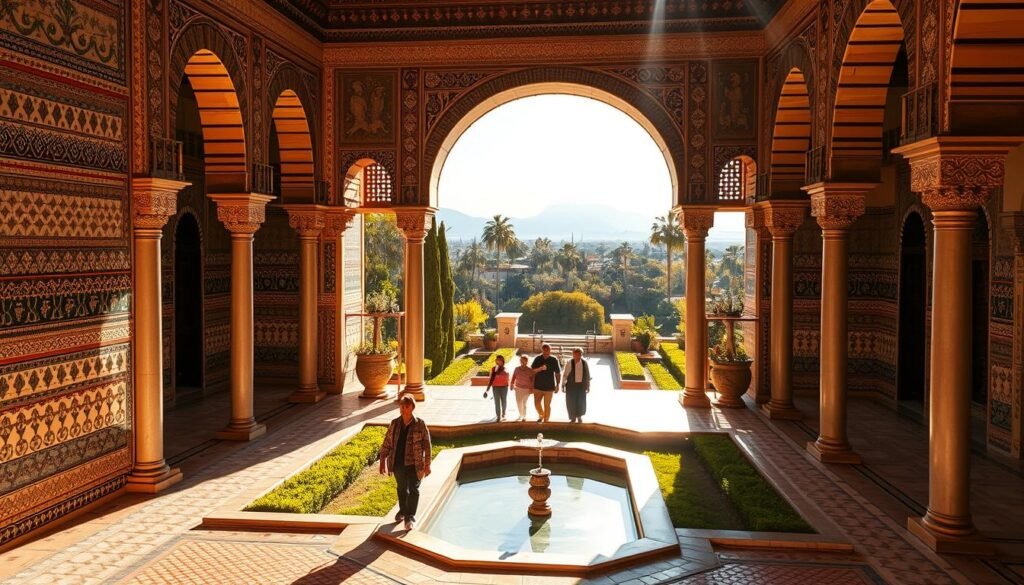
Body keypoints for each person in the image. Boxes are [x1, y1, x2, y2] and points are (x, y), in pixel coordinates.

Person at [379, 395, 431, 530]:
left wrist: (427, 465)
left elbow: (427, 445)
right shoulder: (395, 423)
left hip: (415, 464)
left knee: (413, 489)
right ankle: (403, 511)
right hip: (398, 463)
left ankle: (410, 517)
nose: (403, 409)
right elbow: (387, 442)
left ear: (412, 407)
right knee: (402, 489)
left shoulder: (420, 424)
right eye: (401, 406)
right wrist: (382, 460)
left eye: (406, 406)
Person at [531, 344, 561, 423]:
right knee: (537, 403)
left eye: (548, 349)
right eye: (544, 349)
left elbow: (557, 373)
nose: (546, 351)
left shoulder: (554, 359)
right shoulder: (538, 358)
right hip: (538, 386)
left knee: (547, 405)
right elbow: (532, 371)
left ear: (550, 350)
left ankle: (546, 420)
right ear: (542, 350)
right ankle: (542, 415)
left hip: (549, 387)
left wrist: (558, 385)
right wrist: (540, 368)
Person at [562, 347, 591, 423]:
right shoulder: (569, 362)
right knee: (570, 402)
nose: (578, 356)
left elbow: (587, 375)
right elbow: (565, 375)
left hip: (581, 386)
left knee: (580, 402)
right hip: (571, 386)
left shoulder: (584, 363)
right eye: (576, 354)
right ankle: (573, 417)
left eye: (580, 354)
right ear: (573, 354)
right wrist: (563, 385)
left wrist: (588, 386)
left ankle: (579, 416)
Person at [484, 354, 510, 422]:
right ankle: (498, 416)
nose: (498, 361)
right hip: (495, 388)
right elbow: (491, 379)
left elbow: (508, 379)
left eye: (499, 360)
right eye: (497, 360)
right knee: (497, 402)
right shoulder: (494, 369)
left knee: (504, 401)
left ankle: (503, 413)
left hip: (504, 388)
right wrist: (487, 390)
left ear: (502, 361)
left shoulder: (506, 369)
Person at [511, 354, 536, 422]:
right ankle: (520, 414)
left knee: (524, 403)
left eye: (524, 360)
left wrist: (532, 388)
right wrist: (511, 384)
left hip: (526, 389)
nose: (522, 362)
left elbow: (533, 380)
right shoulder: (516, 369)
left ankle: (524, 416)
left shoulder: (530, 370)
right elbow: (513, 377)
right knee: (519, 402)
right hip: (518, 388)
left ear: (527, 361)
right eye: (521, 360)